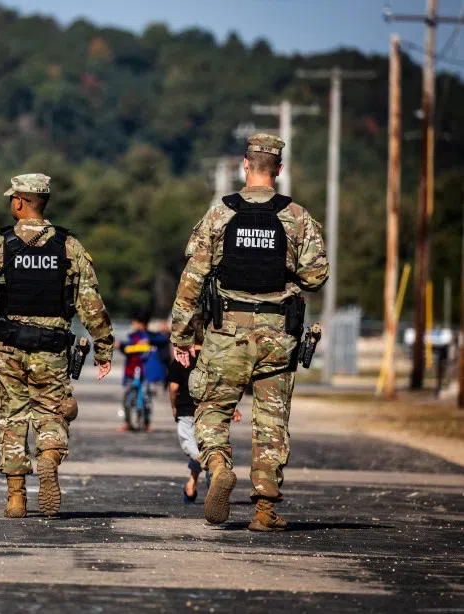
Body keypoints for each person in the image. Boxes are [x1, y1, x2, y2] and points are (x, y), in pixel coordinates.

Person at [171, 134, 329, 531]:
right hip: (278, 336)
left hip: (226, 334)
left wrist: (182, 335)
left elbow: (192, 281)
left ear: (245, 164)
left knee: (211, 410)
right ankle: (264, 510)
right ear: (278, 169)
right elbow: (316, 276)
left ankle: (220, 464)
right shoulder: (297, 217)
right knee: (271, 423)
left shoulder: (219, 215)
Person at [0, 173, 114, 518]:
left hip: (9, 348)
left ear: (18, 202)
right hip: (52, 349)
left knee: (11, 419)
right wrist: (104, 349)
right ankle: (48, 457)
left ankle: (16, 497)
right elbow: (92, 305)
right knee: (53, 414)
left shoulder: (0, 246)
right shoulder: (69, 247)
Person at [167, 345, 241, 504]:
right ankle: (193, 484)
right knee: (210, 447)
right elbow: (226, 388)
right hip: (211, 412)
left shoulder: (180, 360)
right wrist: (232, 408)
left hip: (186, 412)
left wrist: (174, 406)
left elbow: (173, 388)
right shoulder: (216, 359)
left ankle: (214, 469)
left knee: (194, 450)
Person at [118, 311, 169, 433]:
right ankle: (127, 422)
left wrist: (148, 341)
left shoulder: (152, 337)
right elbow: (125, 347)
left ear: (140, 323)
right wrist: (121, 346)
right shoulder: (132, 336)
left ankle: (147, 422)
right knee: (128, 398)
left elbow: (163, 340)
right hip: (132, 371)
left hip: (145, 372)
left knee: (146, 398)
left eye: (135, 322)